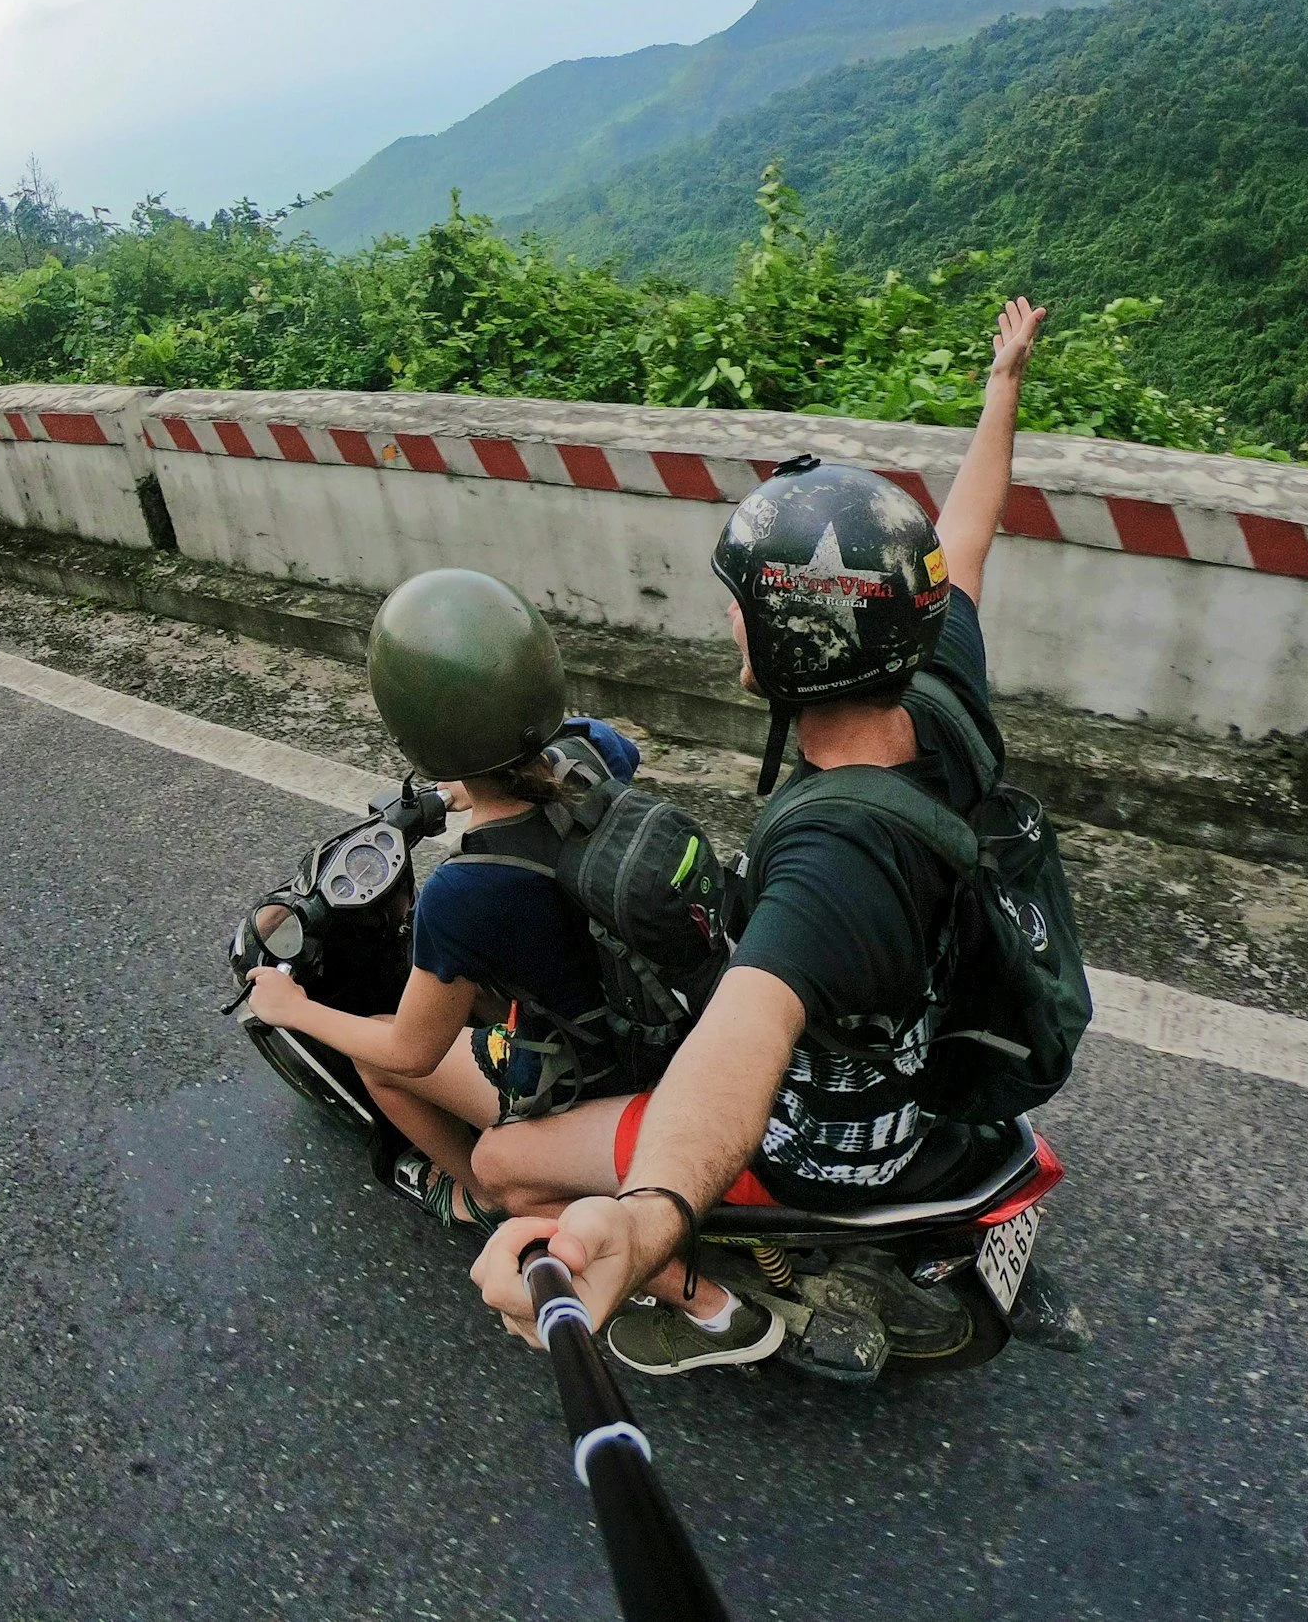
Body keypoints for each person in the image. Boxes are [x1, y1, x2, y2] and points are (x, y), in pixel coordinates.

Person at [469, 295, 1049, 1374]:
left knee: (503, 1164)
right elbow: (963, 531)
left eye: (744, 603)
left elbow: (740, 1043)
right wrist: (1002, 384)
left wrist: (645, 1217)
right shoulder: (937, 681)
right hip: (922, 1040)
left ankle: (700, 1303)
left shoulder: (835, 863)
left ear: (798, 639)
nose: (731, 617)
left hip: (830, 1143)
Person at [243, 567, 644, 1235]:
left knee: (377, 1058)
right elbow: (583, 753)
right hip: (642, 1008)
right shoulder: (594, 750)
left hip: (592, 1073)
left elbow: (411, 1051)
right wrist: (471, 786)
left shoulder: (464, 893)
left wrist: (296, 1009)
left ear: (417, 736)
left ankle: (476, 1191)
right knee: (482, 980)